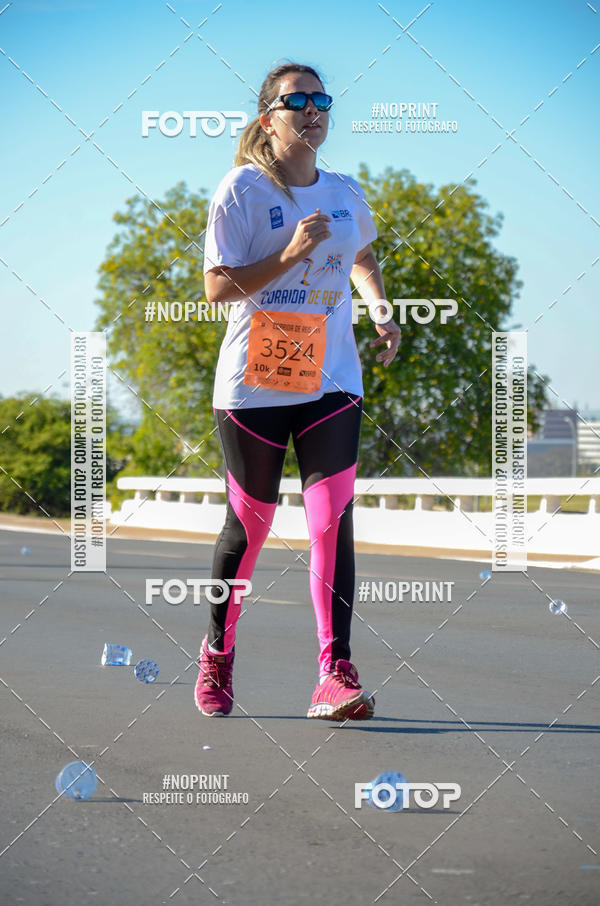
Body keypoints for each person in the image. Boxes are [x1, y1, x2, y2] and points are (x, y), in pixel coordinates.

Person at [195, 61, 401, 721]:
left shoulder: (345, 189)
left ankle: (334, 672)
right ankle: (217, 654)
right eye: (296, 101)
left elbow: (360, 253)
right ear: (269, 119)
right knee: (248, 529)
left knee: (331, 524)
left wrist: (377, 304)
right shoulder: (242, 190)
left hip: (331, 379)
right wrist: (286, 255)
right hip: (255, 384)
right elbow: (217, 287)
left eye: (321, 99)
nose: (312, 109)